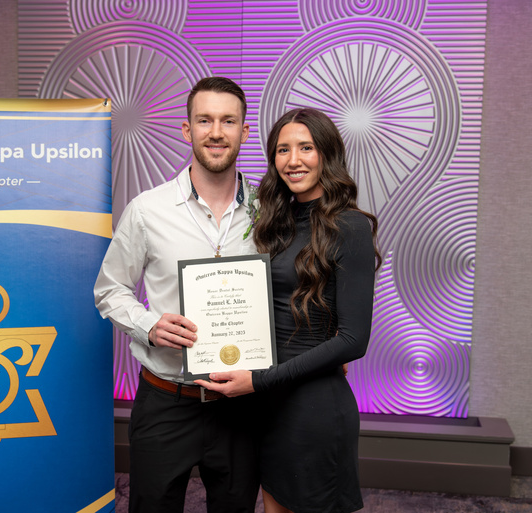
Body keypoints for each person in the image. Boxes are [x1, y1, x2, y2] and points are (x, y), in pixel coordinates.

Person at [197, 107, 381, 513]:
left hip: (311, 407)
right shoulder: (275, 222)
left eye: (306, 148)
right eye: (282, 149)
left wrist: (258, 381)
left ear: (326, 154)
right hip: (268, 405)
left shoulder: (348, 226)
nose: (293, 160)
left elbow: (354, 340)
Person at [94, 77, 260, 513]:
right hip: (166, 401)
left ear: (245, 131)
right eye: (204, 120)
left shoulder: (270, 212)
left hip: (240, 406)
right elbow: (109, 290)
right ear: (187, 130)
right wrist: (149, 324)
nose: (216, 132)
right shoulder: (147, 210)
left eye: (228, 121)